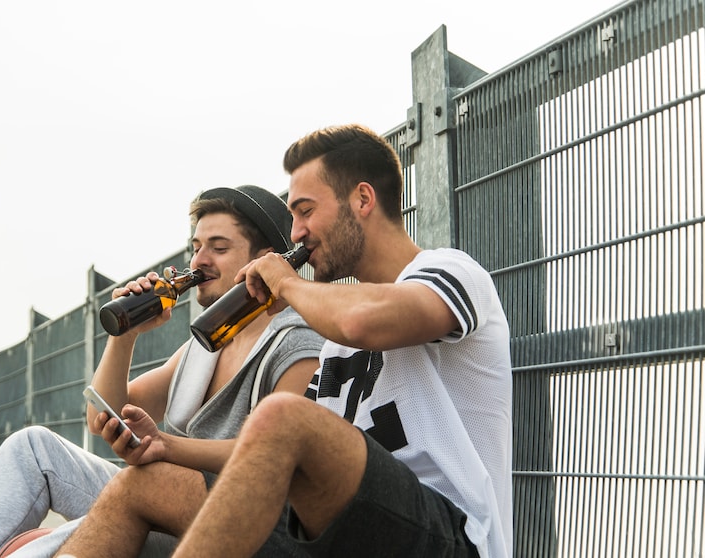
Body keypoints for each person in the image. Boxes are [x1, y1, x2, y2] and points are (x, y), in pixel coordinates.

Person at [56, 123, 513, 558]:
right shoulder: (334, 341)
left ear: (362, 199)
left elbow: (365, 322)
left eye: (306, 211)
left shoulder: (450, 271)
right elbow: (271, 451)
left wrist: (289, 284)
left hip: (449, 536)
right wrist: (165, 448)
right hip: (334, 532)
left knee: (282, 415)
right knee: (143, 483)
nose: (295, 233)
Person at [0, 184, 324, 558]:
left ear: (268, 260)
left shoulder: (297, 344)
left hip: (234, 524)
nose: (198, 261)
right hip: (156, 501)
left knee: (108, 511)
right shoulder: (203, 346)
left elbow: (279, 455)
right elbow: (101, 414)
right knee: (32, 448)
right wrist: (125, 335)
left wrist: (166, 446)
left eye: (219, 248)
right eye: (196, 248)